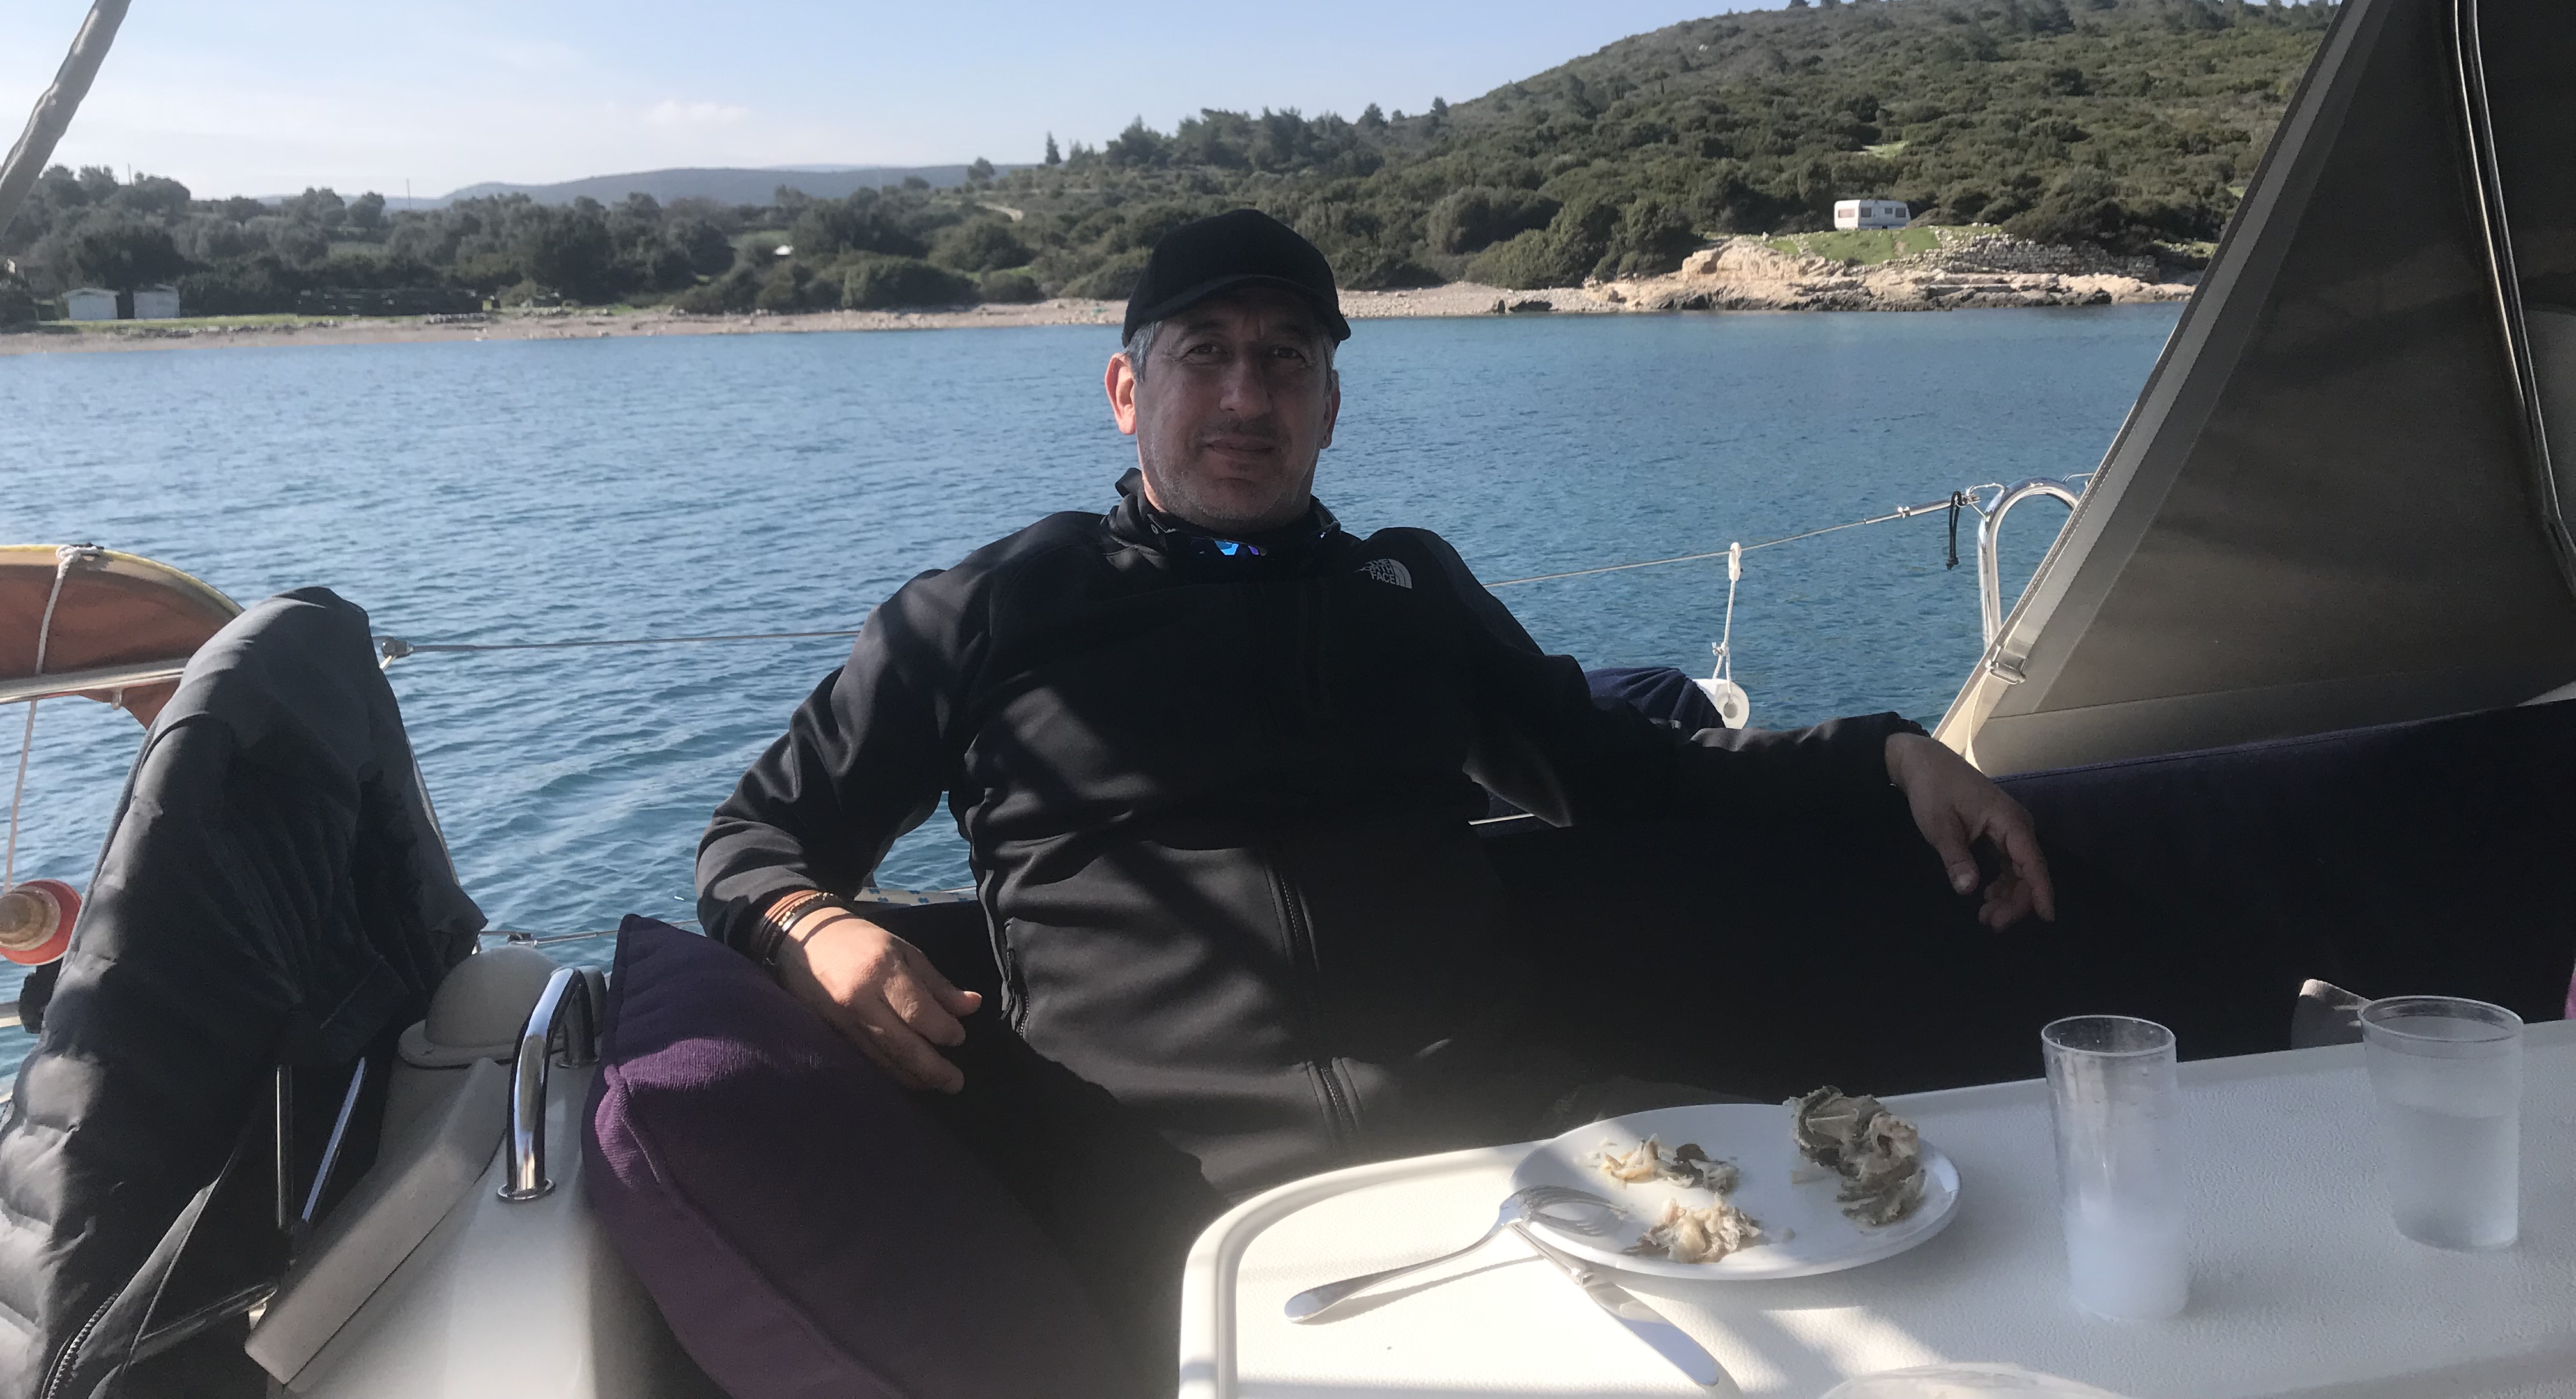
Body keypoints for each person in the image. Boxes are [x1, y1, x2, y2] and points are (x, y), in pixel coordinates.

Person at [696, 207, 2051, 1365]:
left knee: (1892, 1303)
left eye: (1287, 358)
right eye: (1204, 353)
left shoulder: (1409, 592)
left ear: (1331, 406)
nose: (1247, 396)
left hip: (1514, 1137)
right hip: (1170, 1190)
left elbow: (1625, 773)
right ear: (1126, 391)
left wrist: (1882, 752)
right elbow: (755, 839)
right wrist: (810, 927)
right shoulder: (988, 613)